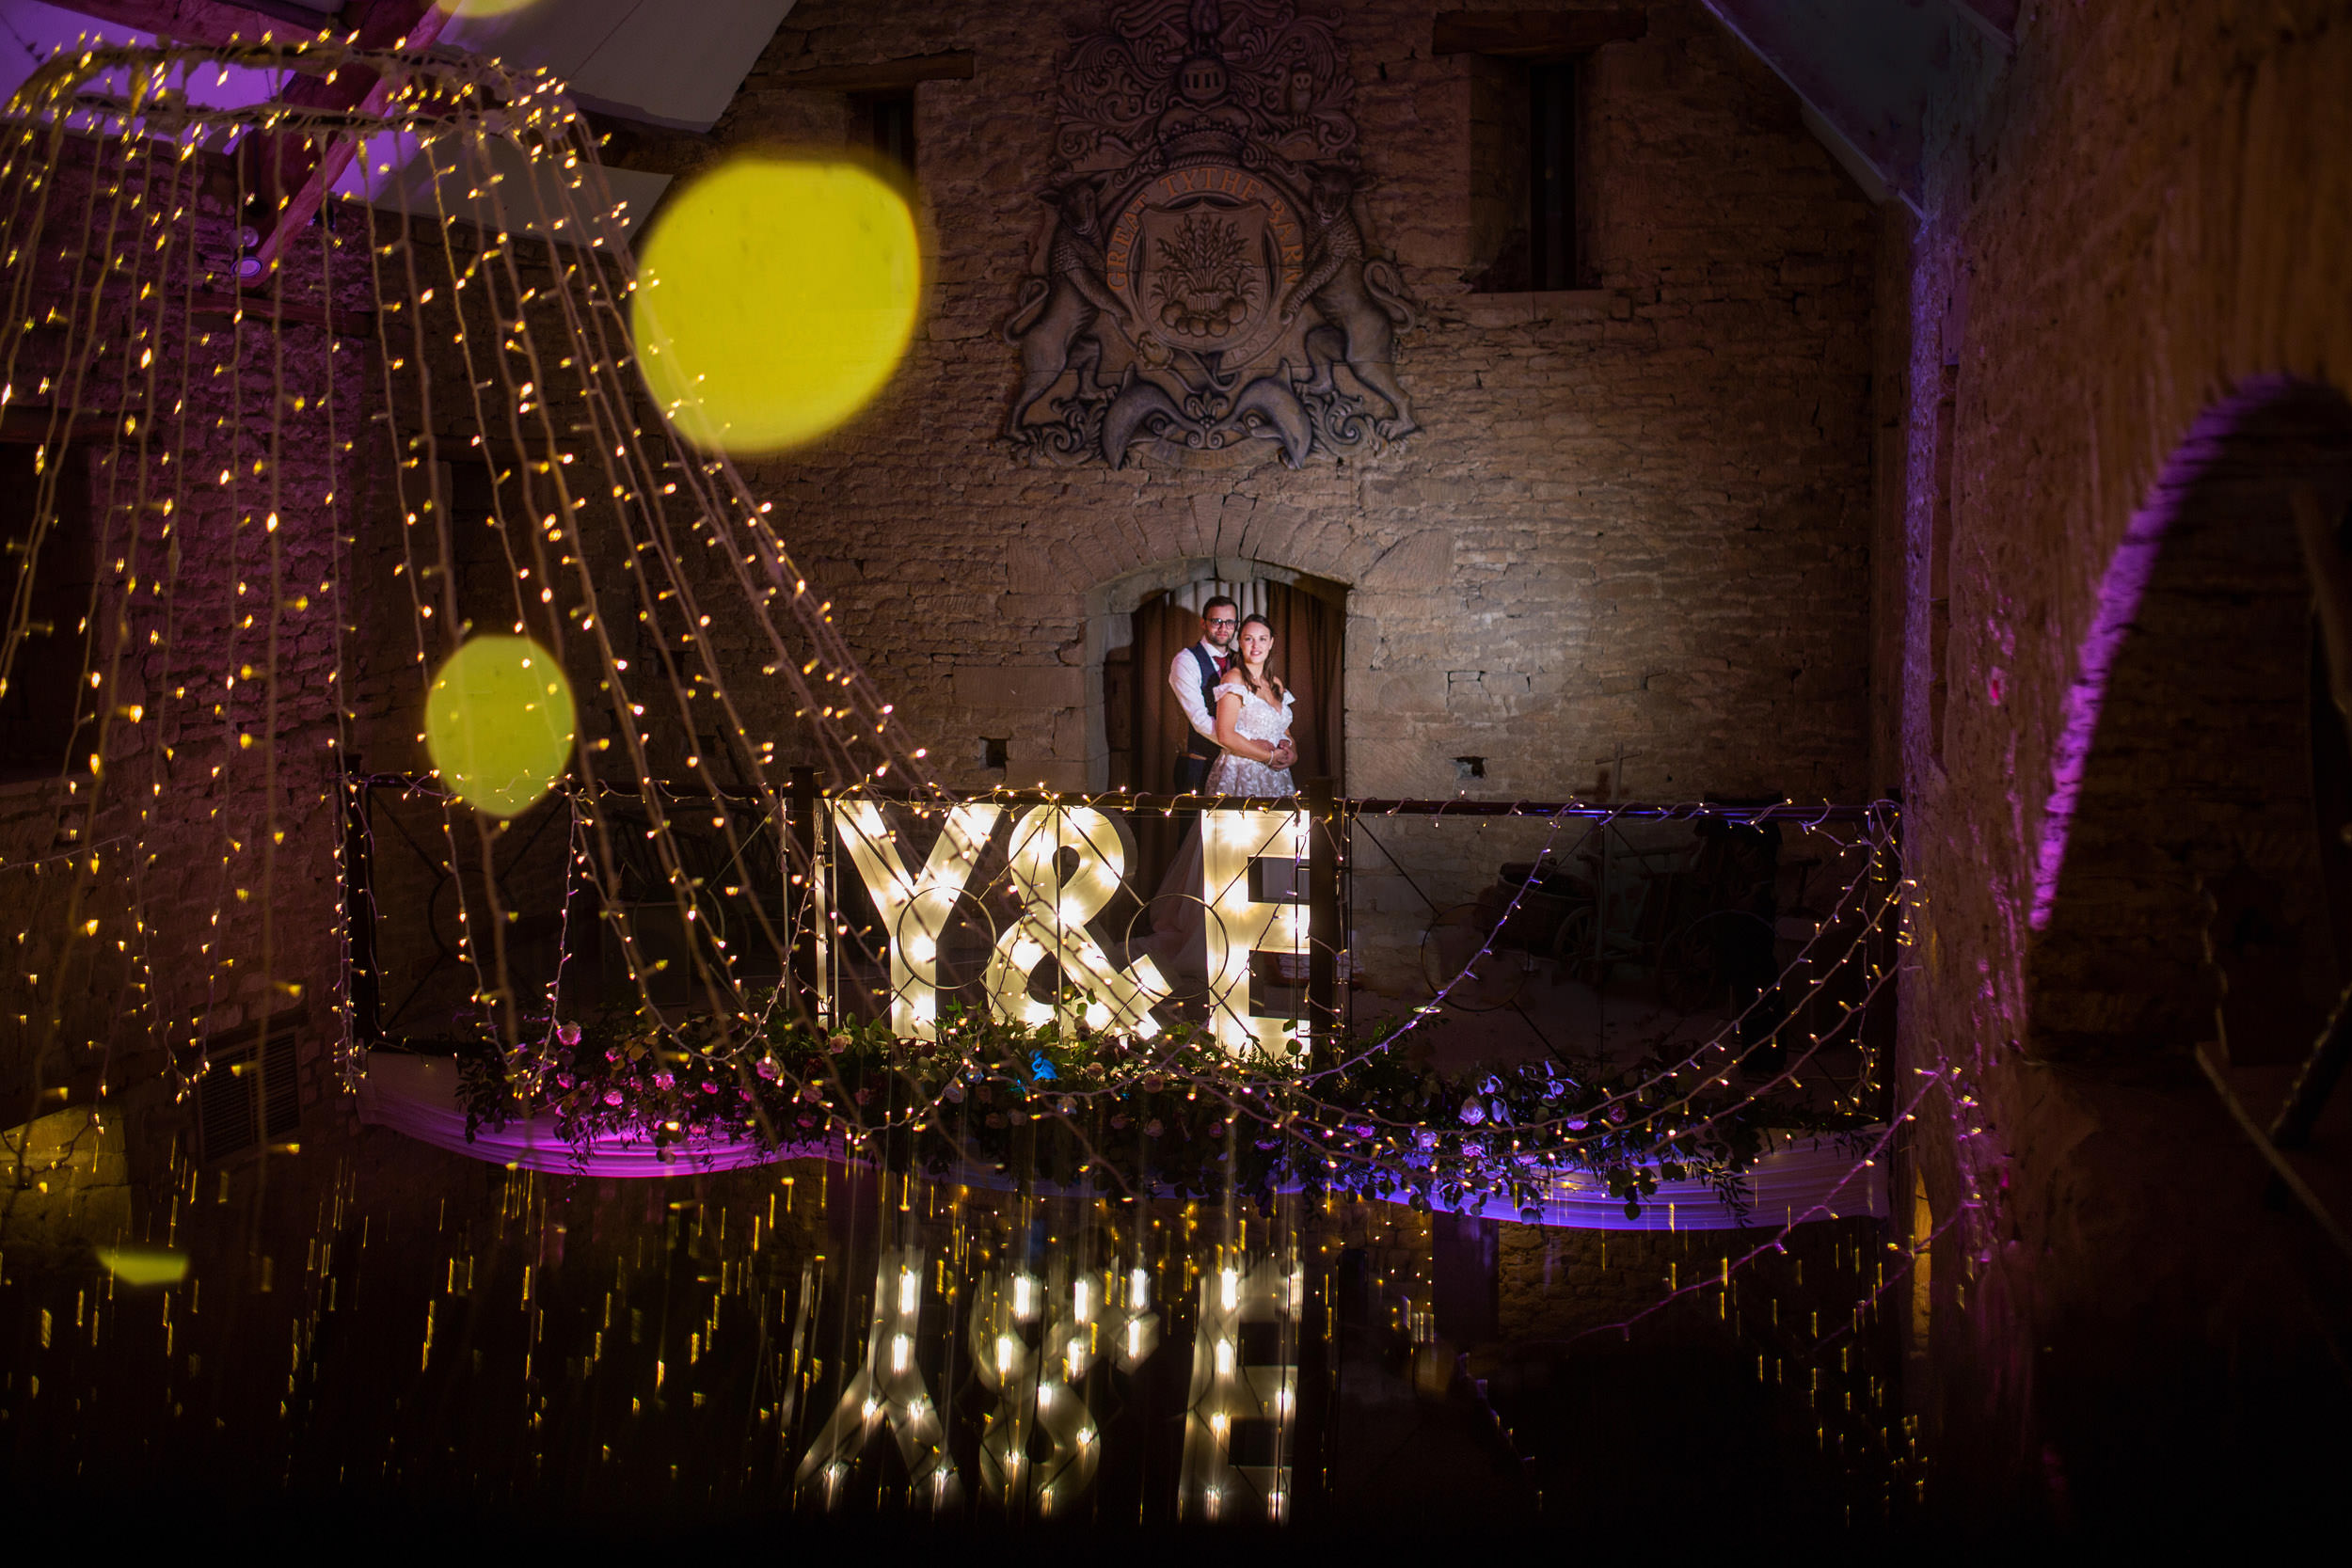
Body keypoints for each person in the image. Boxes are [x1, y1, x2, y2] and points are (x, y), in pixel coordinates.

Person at [1168, 594, 1293, 791]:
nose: (1223, 628)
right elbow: (1200, 719)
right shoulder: (1186, 661)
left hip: (1247, 763)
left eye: (1230, 622)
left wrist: (1285, 749)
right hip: (1199, 762)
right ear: (1203, 623)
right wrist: (1250, 744)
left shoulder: (1242, 661)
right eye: (1216, 621)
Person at [1204, 613, 1296, 796]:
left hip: (1278, 775)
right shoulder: (1233, 679)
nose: (1256, 646)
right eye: (1249, 639)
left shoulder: (1276, 683)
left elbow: (1285, 732)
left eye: (1262, 639)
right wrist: (1268, 757)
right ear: (1239, 642)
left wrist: (1292, 755)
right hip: (1243, 771)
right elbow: (1225, 735)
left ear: (1271, 643)